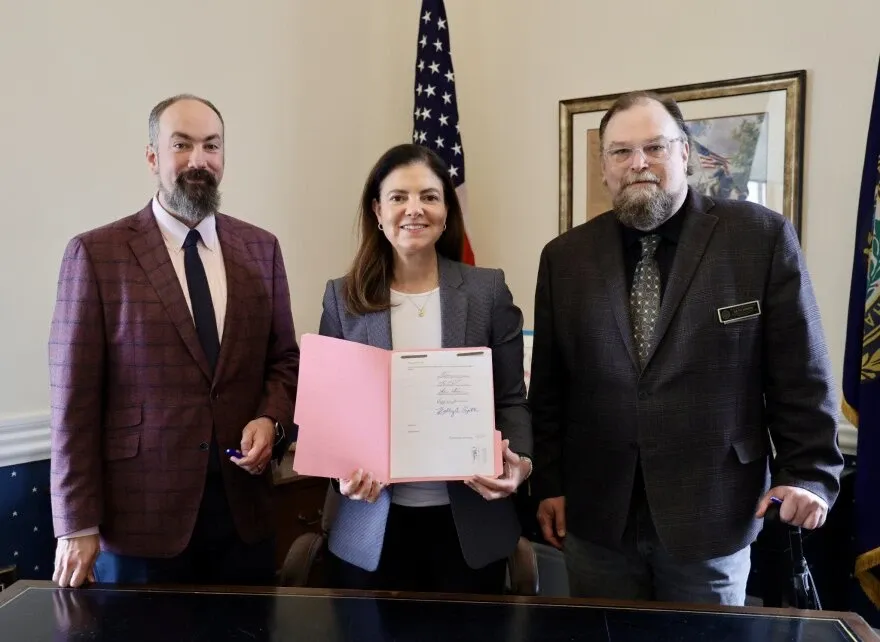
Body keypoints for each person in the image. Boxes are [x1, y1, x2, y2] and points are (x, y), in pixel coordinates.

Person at [528, 91, 843, 606]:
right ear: (604, 167)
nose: (639, 163)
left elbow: (800, 374)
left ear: (685, 155)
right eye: (621, 151)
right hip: (597, 515)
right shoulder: (566, 258)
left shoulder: (758, 238)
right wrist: (550, 484)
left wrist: (808, 472)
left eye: (655, 147)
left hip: (714, 512)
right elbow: (550, 390)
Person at [49, 94, 300, 588]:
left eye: (211, 145)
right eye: (181, 145)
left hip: (242, 513)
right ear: (152, 157)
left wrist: (271, 419)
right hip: (140, 520)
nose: (198, 160)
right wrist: (76, 522)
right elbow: (73, 400)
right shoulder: (97, 254)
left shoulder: (261, 248)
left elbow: (284, 358)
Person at [318, 143, 532, 594]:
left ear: (446, 210)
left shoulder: (487, 290)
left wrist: (522, 465)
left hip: (471, 525)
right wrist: (341, 471)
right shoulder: (342, 299)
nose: (414, 209)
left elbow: (512, 399)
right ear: (378, 210)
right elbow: (330, 416)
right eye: (398, 197)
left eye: (429, 197)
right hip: (371, 527)